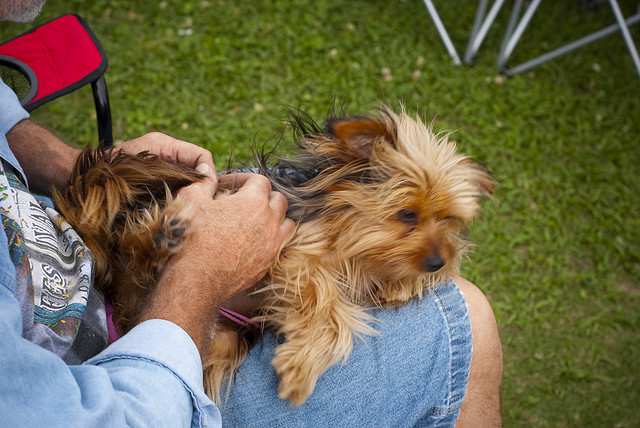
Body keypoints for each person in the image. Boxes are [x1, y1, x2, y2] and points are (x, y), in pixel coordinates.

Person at [0, 1, 503, 427]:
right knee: (466, 317)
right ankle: (161, 248)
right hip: (131, 373)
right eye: (408, 218)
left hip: (81, 255)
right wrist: (202, 271)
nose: (435, 246)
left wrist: (83, 167)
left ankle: (157, 243)